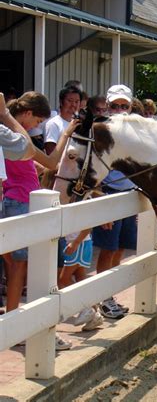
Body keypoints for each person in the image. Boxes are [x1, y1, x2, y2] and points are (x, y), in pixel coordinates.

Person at [1, 91, 78, 350]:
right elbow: (51, 161)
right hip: (20, 203)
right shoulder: (15, 136)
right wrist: (67, 134)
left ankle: (15, 323)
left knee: (18, 268)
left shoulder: (12, 138)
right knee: (19, 269)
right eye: (36, 122)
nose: (36, 128)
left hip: (18, 201)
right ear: (27, 114)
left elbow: (41, 165)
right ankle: (16, 327)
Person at [93, 84, 137, 320]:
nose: (119, 110)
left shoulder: (135, 132)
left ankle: (109, 295)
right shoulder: (101, 132)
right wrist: (100, 200)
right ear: (107, 107)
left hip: (129, 195)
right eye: (115, 106)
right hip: (109, 193)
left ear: (130, 107)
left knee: (120, 247)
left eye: (124, 106)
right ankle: (103, 298)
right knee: (108, 249)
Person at [59, 228, 104, 332]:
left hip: (78, 244)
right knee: (81, 278)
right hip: (79, 243)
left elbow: (88, 225)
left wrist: (76, 242)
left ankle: (86, 307)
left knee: (63, 280)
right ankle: (95, 314)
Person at [44, 86, 82, 155]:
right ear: (61, 102)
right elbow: (50, 152)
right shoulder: (53, 123)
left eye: (77, 102)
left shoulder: (81, 124)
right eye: (70, 101)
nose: (73, 104)